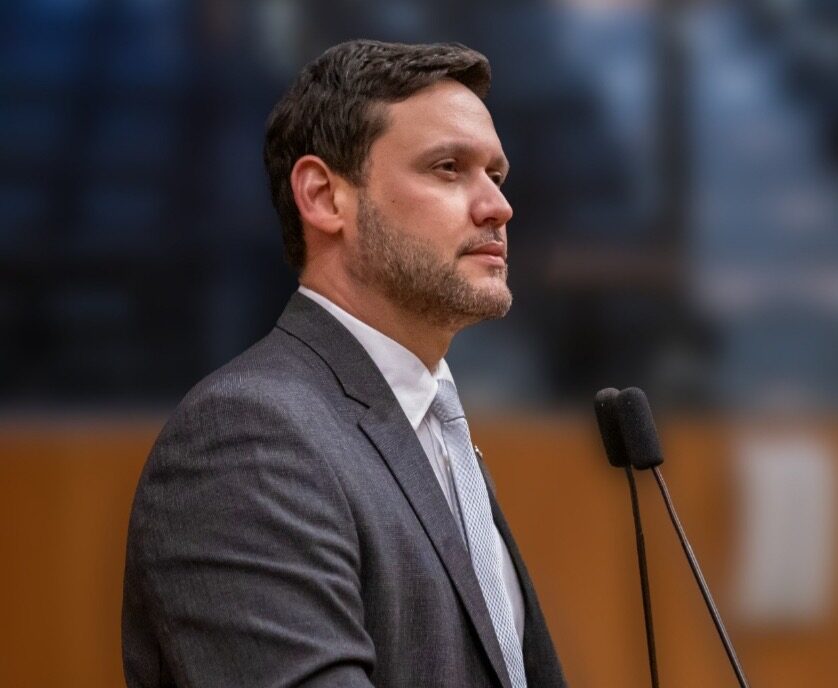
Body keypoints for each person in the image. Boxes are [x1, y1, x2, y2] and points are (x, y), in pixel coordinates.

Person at [122, 40, 566, 688]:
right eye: (448, 168)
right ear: (325, 196)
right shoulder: (248, 439)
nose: (498, 207)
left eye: (495, 176)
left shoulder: (435, 426)